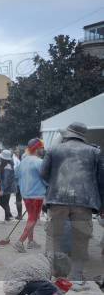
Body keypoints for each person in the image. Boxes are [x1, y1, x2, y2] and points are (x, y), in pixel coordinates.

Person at [41, 122, 104, 284]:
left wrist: (54, 185)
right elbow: (101, 181)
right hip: (85, 202)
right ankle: (76, 277)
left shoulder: (53, 150)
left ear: (68, 134)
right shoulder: (95, 152)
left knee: (55, 237)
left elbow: (43, 173)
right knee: (81, 238)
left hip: (57, 200)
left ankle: (55, 273)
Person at [13, 139, 47, 253]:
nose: (43, 150)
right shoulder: (39, 162)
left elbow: (16, 175)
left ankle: (31, 242)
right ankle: (20, 241)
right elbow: (46, 178)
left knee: (31, 217)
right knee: (33, 218)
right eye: (42, 148)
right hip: (36, 194)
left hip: (25, 193)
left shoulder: (23, 161)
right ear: (37, 149)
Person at [0, 149, 17, 221]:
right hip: (6, 186)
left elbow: (6, 180)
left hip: (6, 187)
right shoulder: (6, 165)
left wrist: (2, 189)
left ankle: (7, 217)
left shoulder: (7, 167)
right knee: (5, 202)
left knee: (2, 202)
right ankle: (8, 215)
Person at [13, 148, 24, 220]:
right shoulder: (16, 160)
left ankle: (20, 215)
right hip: (25, 184)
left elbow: (15, 174)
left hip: (18, 184)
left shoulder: (18, 163)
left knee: (18, 200)